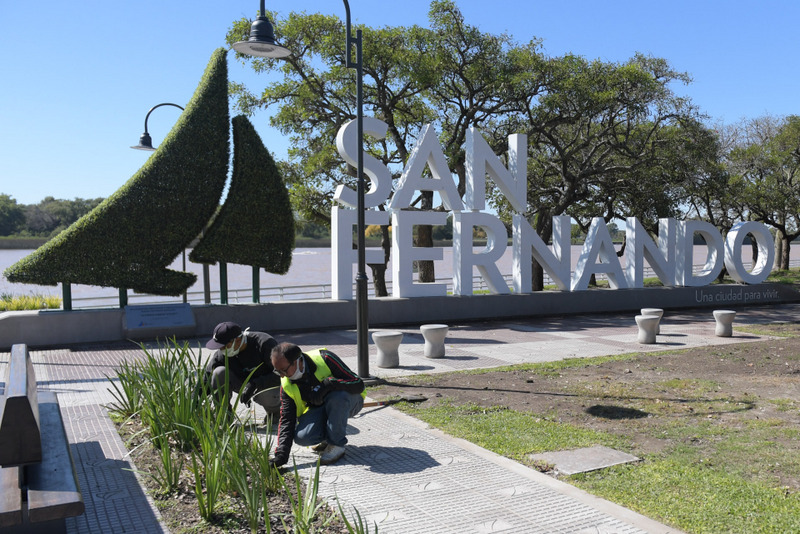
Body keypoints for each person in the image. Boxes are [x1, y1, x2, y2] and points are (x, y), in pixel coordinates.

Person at [269, 342, 365, 466]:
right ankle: (328, 437)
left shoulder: (325, 358)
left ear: (298, 361)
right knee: (303, 437)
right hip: (320, 407)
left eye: (284, 370)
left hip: (350, 401)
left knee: (337, 397)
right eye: (278, 371)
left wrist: (329, 384)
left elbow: (358, 384)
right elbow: (287, 419)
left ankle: (337, 444)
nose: (282, 375)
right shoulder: (286, 384)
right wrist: (282, 454)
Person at [205, 321, 281, 419]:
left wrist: (255, 383)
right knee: (218, 373)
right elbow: (206, 378)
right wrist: (194, 403)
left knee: (264, 394)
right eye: (220, 347)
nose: (222, 350)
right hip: (243, 384)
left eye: (225, 346)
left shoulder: (265, 343)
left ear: (237, 339)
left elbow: (282, 373)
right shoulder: (222, 354)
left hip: (265, 386)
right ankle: (225, 417)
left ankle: (275, 413)